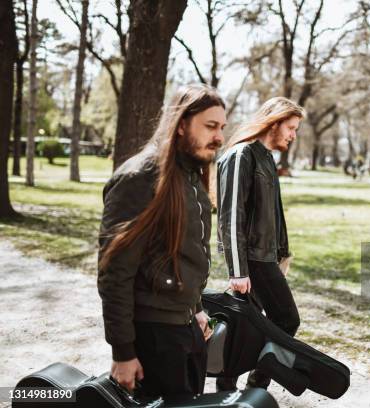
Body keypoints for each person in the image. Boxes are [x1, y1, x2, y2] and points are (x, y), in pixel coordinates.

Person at [97, 84, 226, 401]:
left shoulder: (190, 175)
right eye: (210, 126)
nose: (220, 137)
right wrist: (123, 352)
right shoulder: (141, 177)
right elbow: (115, 271)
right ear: (181, 124)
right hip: (155, 335)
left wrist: (195, 309)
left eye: (222, 127)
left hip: (187, 328)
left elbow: (184, 255)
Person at [215, 97, 305, 391]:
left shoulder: (267, 158)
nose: (293, 135)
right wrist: (238, 270)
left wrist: (282, 255)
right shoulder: (242, 155)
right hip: (252, 260)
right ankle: (256, 386)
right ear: (274, 122)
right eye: (290, 128)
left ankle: (228, 387)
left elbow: (272, 215)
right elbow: (230, 217)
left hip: (267, 257)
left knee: (241, 327)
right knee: (287, 320)